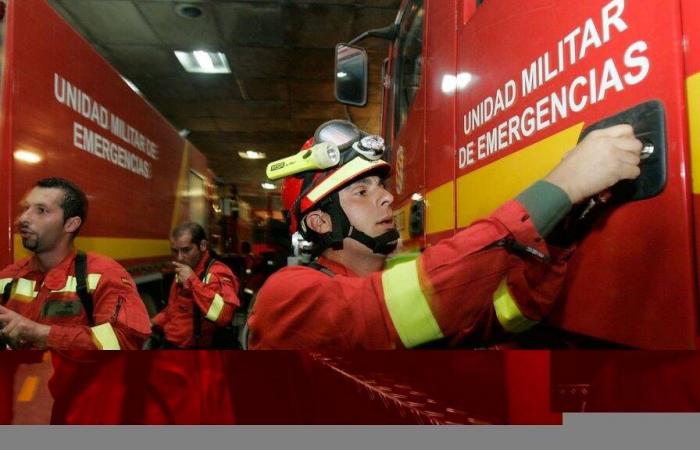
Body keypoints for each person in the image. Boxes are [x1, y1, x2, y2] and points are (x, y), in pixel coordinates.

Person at [247, 120, 643, 349]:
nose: (386, 198)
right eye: (361, 192)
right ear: (320, 223)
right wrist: (561, 186)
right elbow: (388, 310)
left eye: (380, 186)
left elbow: (506, 315)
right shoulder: (286, 295)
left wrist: (561, 228)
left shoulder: (396, 276)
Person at [0, 177, 151, 423]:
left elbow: (124, 342)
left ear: (71, 223)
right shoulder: (10, 276)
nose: (24, 218)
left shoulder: (103, 274)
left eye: (41, 210)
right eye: (25, 208)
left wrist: (38, 332)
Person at [150, 222, 240, 348]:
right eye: (175, 251)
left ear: (202, 245)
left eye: (186, 250)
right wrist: (153, 323)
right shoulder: (185, 270)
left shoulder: (217, 273)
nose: (180, 258)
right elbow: (174, 309)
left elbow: (225, 315)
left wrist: (192, 281)